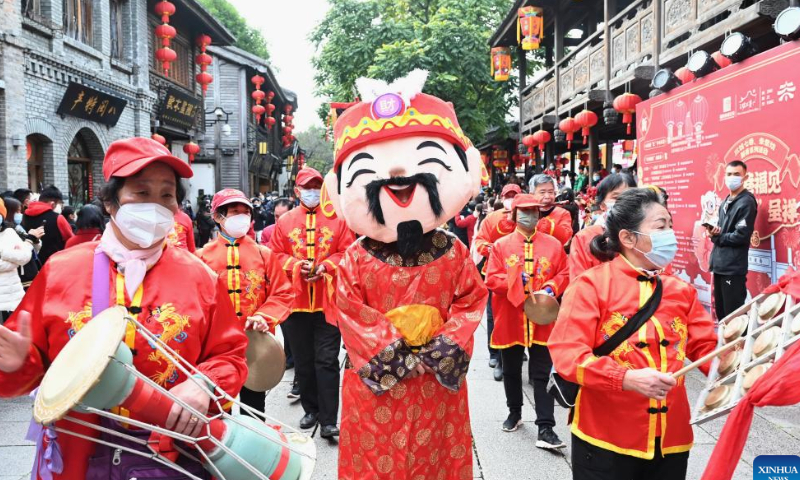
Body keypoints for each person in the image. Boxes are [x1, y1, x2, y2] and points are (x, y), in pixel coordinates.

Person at [0, 137, 248, 480]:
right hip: (78, 453)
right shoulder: (61, 271)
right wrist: (16, 367)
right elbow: (31, 367)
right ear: (110, 202)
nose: (157, 206)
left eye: (167, 195)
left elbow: (231, 355)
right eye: (141, 193)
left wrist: (204, 385)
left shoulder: (200, 277)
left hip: (174, 454)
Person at [324, 71, 488, 480]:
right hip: (377, 381)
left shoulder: (455, 253)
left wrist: (436, 352)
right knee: (376, 459)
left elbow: (471, 300)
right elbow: (350, 312)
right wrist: (399, 356)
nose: (397, 170)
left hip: (435, 379)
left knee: (436, 458)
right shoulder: (355, 258)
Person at [549, 188, 718, 480]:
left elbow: (707, 348)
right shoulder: (591, 286)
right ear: (628, 238)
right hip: (605, 438)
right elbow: (568, 354)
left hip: (670, 438)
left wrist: (742, 362)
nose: (670, 235)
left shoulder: (679, 290)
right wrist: (624, 379)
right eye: (660, 227)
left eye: (670, 226)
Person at [269, 167, 354, 438]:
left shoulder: (338, 220)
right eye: (308, 187)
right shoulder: (284, 222)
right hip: (295, 304)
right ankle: (311, 409)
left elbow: (347, 253)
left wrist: (326, 266)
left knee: (327, 360)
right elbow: (274, 256)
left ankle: (329, 420)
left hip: (328, 303)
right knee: (304, 361)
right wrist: (296, 265)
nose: (313, 192)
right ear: (297, 191)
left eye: (317, 187)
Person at [196, 188, 293, 415]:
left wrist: (263, 316)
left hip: (255, 345)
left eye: (245, 212)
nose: (241, 216)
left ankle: (255, 450)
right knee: (218, 408)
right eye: (234, 211)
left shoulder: (263, 254)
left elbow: (283, 292)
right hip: (216, 348)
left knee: (254, 408)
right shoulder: (201, 257)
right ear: (218, 217)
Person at [485, 194, 568, 448]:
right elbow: (490, 279)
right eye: (524, 210)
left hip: (543, 318)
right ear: (514, 214)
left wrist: (553, 287)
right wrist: (513, 281)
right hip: (511, 317)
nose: (529, 215)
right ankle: (515, 412)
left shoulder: (554, 245)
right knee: (511, 370)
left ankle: (546, 427)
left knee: (542, 373)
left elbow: (565, 272)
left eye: (533, 211)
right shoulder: (500, 246)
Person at [474, 183, 520, 380]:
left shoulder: (528, 217)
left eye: (514, 195)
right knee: (495, 316)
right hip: (497, 273)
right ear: (502, 197)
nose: (510, 198)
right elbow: (480, 242)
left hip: (525, 275)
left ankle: (518, 351)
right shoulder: (492, 218)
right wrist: (493, 249)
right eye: (508, 195)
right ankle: (495, 353)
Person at [708, 160, 757, 320]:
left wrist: (718, 237)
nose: (732, 177)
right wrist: (713, 230)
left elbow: (741, 236)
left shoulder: (747, 202)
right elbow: (723, 230)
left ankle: (739, 345)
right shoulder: (726, 201)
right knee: (722, 315)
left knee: (734, 316)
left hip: (733, 268)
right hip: (720, 265)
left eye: (737, 174)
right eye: (729, 174)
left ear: (745, 177)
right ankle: (727, 345)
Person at [568, 173, 637, 280]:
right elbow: (578, 284)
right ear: (602, 204)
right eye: (616, 197)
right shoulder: (583, 238)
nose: (624, 202)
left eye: (629, 196)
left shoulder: (646, 234)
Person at [21, 185, 73, 265]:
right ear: (53, 204)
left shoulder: (24, 216)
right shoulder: (58, 218)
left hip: (31, 264)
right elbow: (71, 240)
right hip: (55, 264)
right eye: (59, 203)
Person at [0, 198, 33, 323]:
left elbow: (25, 256)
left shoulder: (9, 233)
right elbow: (18, 260)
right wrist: (14, 262)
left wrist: (2, 252)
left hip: (13, 298)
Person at [529, 174, 574, 246]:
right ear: (531, 195)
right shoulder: (525, 212)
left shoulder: (563, 213)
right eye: (542, 192)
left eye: (550, 192)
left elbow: (566, 238)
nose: (547, 197)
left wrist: (544, 224)